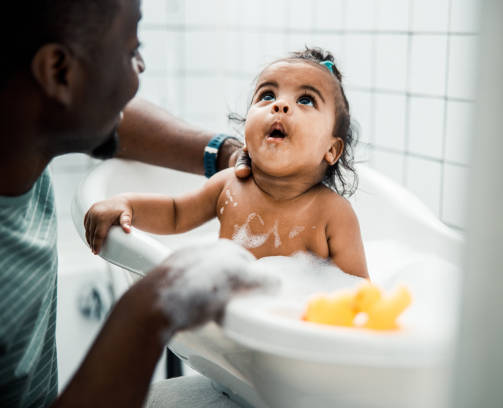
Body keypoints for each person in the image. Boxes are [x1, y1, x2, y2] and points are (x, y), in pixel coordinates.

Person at [0, 1, 263, 407]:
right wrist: (152, 307)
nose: (139, 69)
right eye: (130, 51)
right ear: (58, 72)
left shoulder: (18, 143)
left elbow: (111, 119)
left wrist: (225, 153)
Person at [84, 48, 369, 279]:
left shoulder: (332, 214)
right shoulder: (230, 185)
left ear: (331, 150)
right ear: (246, 137)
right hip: (224, 321)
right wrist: (127, 206)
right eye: (267, 95)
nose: (279, 105)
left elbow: (356, 293)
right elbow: (174, 213)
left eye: (306, 100)